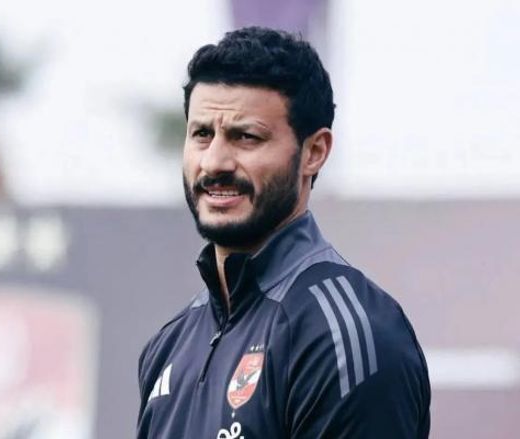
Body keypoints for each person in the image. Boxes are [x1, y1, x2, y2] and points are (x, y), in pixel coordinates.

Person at [136, 27, 430, 438]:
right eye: (202, 134)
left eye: (246, 137)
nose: (215, 162)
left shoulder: (345, 335)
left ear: (314, 152)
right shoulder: (169, 344)